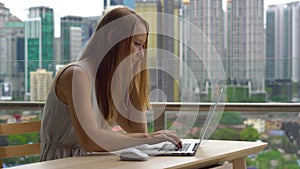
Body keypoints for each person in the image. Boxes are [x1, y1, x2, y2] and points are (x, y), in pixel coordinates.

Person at [40, 6, 182, 161]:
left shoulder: (107, 81)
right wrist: (148, 138)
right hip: (64, 163)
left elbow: (136, 128)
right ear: (113, 37)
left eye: (143, 46)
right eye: (136, 43)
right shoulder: (76, 74)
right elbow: (90, 140)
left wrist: (132, 75)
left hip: (93, 160)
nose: (142, 53)